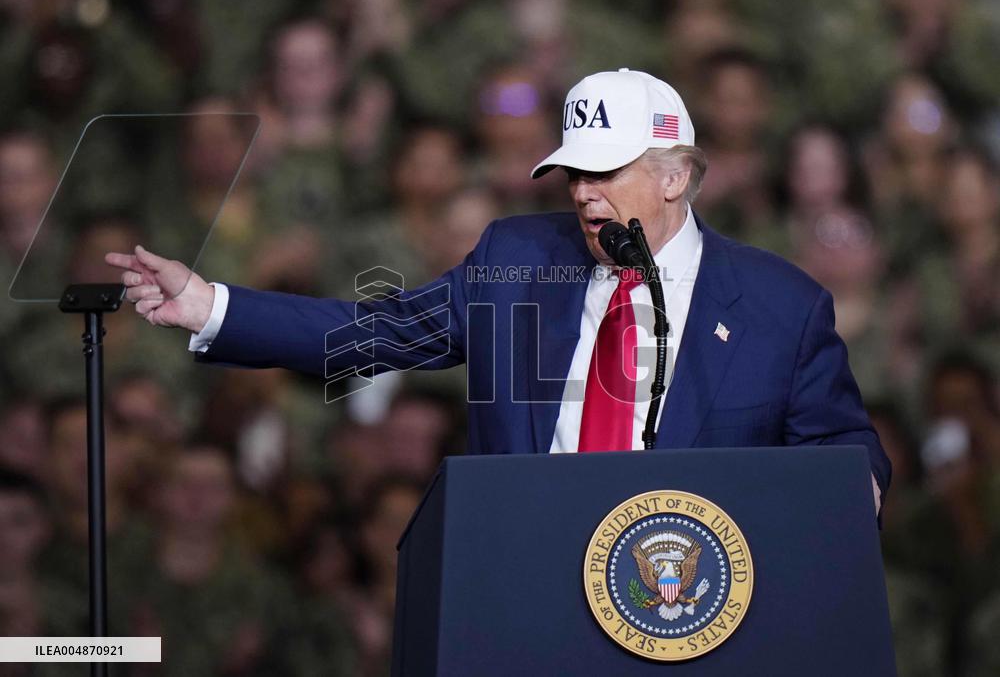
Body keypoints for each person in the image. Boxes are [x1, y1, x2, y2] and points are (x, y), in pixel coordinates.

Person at [107, 69, 889, 513]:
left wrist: (842, 505)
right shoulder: (515, 260)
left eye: (606, 171)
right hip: (527, 592)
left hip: (693, 614)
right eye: (576, 172)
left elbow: (848, 459)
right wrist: (211, 304)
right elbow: (371, 334)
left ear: (676, 174)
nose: (584, 193)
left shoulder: (781, 305)